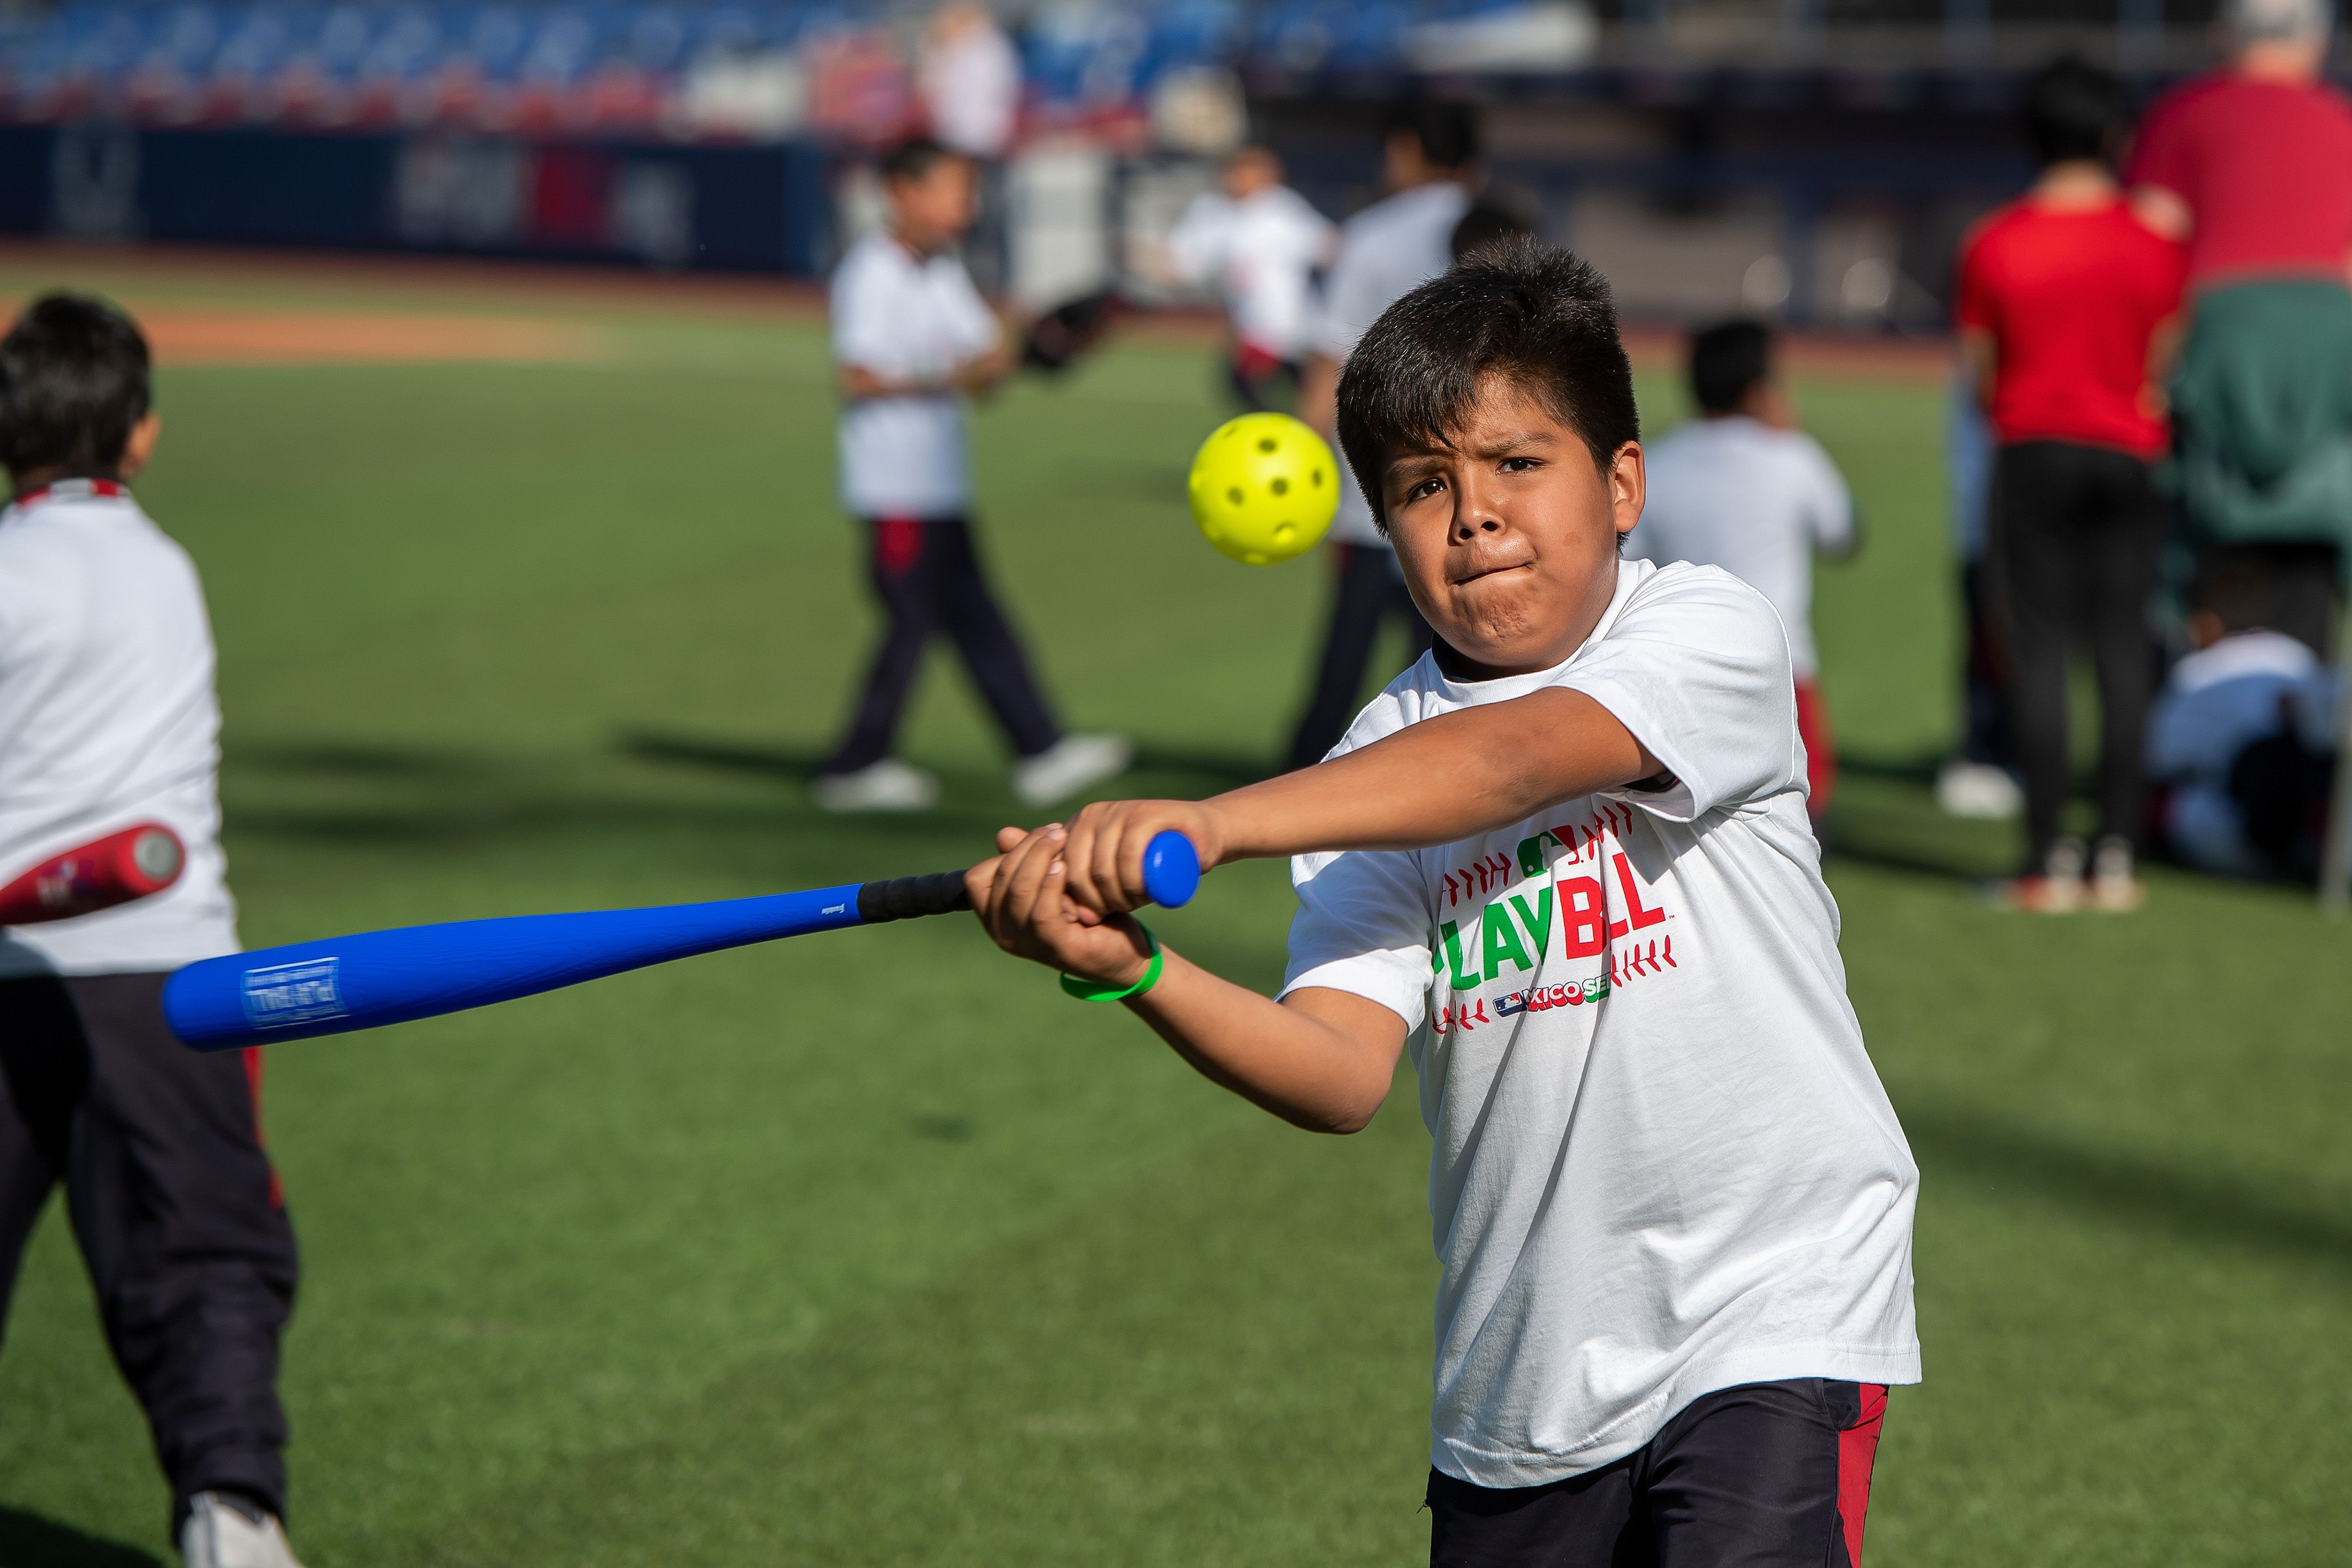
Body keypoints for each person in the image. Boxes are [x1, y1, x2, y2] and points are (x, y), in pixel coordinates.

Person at [966, 241, 1919, 1568]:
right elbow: (1337, 1068)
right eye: (1423, 486)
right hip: (1519, 1382)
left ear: (1623, 482)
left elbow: (1513, 760)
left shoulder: (1705, 631)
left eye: (1517, 464)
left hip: (1768, 1303)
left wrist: (1214, 821)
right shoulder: (1374, 760)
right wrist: (1130, 969)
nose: (1473, 515)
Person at [0, 296, 303, 1568]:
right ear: (143, 434)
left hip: (14, 973)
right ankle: (231, 1516)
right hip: (176, 980)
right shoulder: (169, 566)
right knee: (207, 1254)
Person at [817, 138, 1130, 813]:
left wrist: (1046, 347)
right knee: (911, 623)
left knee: (977, 618)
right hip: (894, 487)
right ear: (902, 192)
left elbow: (984, 366)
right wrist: (955, 375)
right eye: (954, 191)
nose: (967, 206)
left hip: (938, 486)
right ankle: (854, 764)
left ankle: (1039, 751)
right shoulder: (872, 272)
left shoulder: (940, 270)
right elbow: (858, 375)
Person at [1956, 58, 2187, 911]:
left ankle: (2048, 859)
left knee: (2041, 650)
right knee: (2124, 648)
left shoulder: (1994, 241)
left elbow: (1979, 372)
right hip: (2129, 448)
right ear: (2112, 135)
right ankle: (2117, 854)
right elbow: (2167, 353)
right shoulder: (2156, 242)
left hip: (2032, 449)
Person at [2129, 0, 2352, 657]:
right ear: (2315, 38)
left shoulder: (2181, 114)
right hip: (2323, 349)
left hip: (2214, 345)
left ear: (2225, 33)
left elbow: (2151, 242)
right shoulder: (2340, 122)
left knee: (2206, 537)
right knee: (2312, 540)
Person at [1284, 100, 1479, 773]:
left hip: (1374, 487)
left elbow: (1324, 365)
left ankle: (1302, 777)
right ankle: (1421, 775)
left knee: (1345, 652)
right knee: (1444, 654)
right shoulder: (1498, 234)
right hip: (1463, 486)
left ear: (1403, 150)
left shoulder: (1370, 235)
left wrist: (1298, 466)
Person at [1630, 320, 1856, 828]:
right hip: (1782, 669)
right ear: (1762, 387)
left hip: (1681, 674)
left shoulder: (1657, 465)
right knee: (1799, 829)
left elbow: (1628, 559)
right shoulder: (1791, 455)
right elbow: (1845, 535)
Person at [2149, 554, 2341, 878]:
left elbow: (2157, 760)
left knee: (2179, 806)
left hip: (2246, 833)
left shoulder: (2198, 672)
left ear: (2206, 622)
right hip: (2311, 838)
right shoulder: (2301, 657)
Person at [1162, 145, 1338, 411]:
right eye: (1235, 173)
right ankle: (1283, 431)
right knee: (1254, 385)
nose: (1238, 181)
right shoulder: (1215, 212)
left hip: (1289, 323)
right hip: (1252, 324)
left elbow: (1328, 246)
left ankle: (1282, 431)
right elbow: (1187, 263)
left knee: (1254, 383)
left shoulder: (1282, 210)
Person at [1933, 379, 2026, 820]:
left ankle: (2008, 756)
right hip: (1987, 529)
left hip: (2012, 530)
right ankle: (1987, 754)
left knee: (2014, 651)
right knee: (1989, 648)